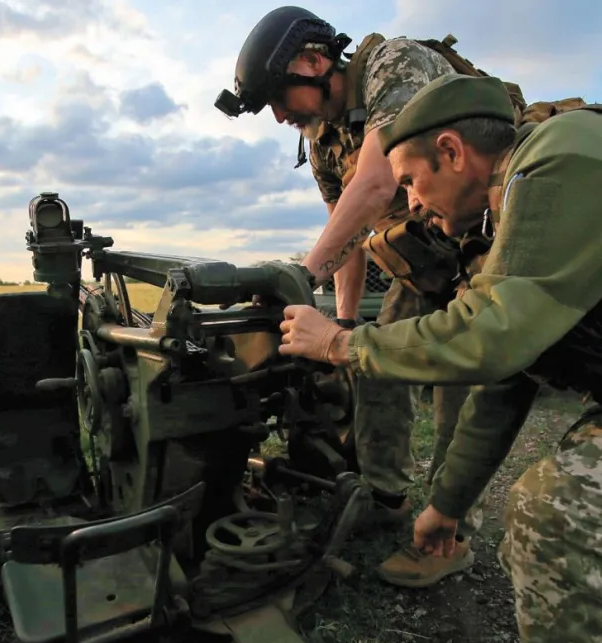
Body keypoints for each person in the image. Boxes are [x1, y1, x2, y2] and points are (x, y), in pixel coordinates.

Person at [277, 72, 602, 643]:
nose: (412, 204)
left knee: (552, 518)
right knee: (551, 542)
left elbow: (493, 339)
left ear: (452, 151)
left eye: (411, 181)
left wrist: (341, 343)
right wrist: (448, 505)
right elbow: (509, 375)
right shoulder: (510, 219)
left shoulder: (564, 155)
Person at [216, 6, 526, 587]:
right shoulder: (323, 144)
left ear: (314, 62)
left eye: (279, 97)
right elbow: (349, 234)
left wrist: (299, 277)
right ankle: (387, 499)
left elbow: (377, 183)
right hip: (423, 264)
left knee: (461, 388)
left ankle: (450, 535)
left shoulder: (394, 65)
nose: (279, 115)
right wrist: (339, 324)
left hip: (487, 244)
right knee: (374, 363)